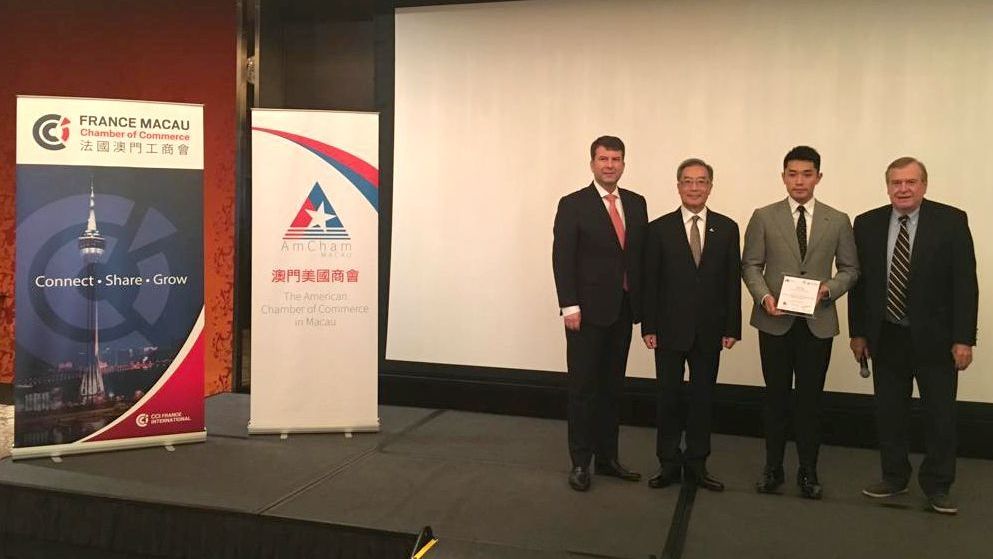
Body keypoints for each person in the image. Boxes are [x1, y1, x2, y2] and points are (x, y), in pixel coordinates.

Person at [849, 157, 977, 515]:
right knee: (889, 413)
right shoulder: (867, 223)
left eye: (910, 182)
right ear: (887, 186)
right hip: (887, 336)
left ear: (924, 185)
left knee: (940, 415)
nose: (903, 189)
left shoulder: (951, 221)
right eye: (896, 182)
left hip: (937, 340)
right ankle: (894, 477)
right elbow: (860, 285)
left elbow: (965, 284)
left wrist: (964, 338)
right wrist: (858, 333)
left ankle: (938, 486)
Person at [741, 145, 859, 499]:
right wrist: (764, 297)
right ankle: (773, 469)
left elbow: (851, 269)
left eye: (807, 174)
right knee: (775, 400)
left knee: (810, 402)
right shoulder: (764, 216)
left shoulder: (838, 219)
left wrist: (829, 289)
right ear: (783, 177)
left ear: (818, 177)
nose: (799, 181)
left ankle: (808, 472)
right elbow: (751, 265)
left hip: (816, 323)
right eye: (792, 174)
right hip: (774, 321)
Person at [553, 135, 648, 491]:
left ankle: (608, 459)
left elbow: (638, 257)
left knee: (612, 388)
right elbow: (562, 258)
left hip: (623, 310)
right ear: (592, 163)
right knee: (583, 389)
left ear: (624, 164)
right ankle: (581, 462)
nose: (610, 165)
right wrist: (569, 305)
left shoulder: (636, 203)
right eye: (603, 159)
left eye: (616, 159)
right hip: (585, 313)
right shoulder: (573, 204)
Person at [641, 158, 741, 492]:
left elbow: (731, 281)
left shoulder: (727, 228)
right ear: (678, 186)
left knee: (703, 399)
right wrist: (648, 326)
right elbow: (651, 281)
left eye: (701, 181)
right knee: (668, 398)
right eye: (688, 181)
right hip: (668, 330)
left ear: (710, 186)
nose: (694, 187)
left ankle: (698, 463)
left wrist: (732, 327)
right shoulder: (659, 229)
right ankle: (668, 463)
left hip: (710, 330)